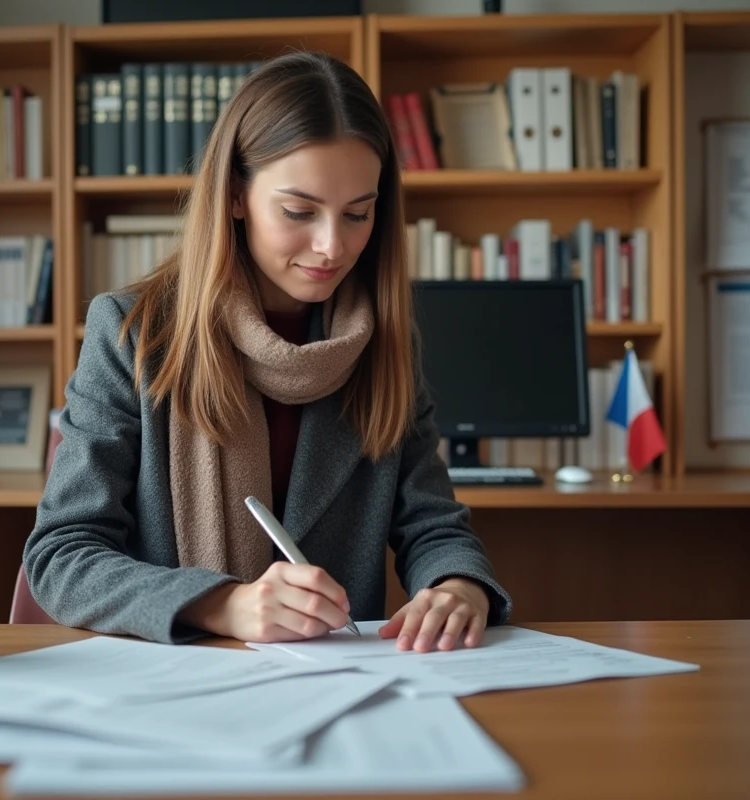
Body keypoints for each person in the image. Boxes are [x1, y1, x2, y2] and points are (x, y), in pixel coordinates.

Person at [25, 51, 511, 653]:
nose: (332, 246)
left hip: (334, 689)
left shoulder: (384, 345)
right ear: (235, 197)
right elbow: (61, 556)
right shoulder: (133, 333)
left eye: (358, 213)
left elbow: (433, 525)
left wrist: (459, 585)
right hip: (172, 684)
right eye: (298, 211)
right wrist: (223, 604)